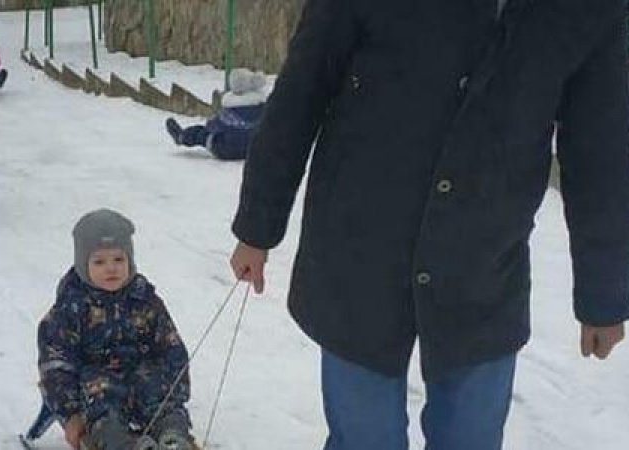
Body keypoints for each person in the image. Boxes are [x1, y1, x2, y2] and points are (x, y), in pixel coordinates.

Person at [228, 1, 629, 449]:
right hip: (358, 252)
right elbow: (301, 92)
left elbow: (601, 153)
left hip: (483, 267)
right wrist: (257, 228)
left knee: (471, 438)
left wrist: (603, 294)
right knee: (364, 439)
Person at [35, 209, 192, 450]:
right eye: (99, 261)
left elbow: (170, 344)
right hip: (97, 384)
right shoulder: (71, 307)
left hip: (141, 376)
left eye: (119, 259)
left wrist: (175, 389)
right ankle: (120, 443)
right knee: (102, 402)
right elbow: (56, 364)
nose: (111, 268)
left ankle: (172, 436)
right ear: (82, 264)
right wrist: (70, 415)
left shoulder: (144, 298)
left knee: (160, 394)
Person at [165, 68, 266, 161]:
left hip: (225, 149)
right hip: (255, 150)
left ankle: (181, 136)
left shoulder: (231, 108)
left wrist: (210, 125)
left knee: (201, 133)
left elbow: (214, 126)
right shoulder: (264, 108)